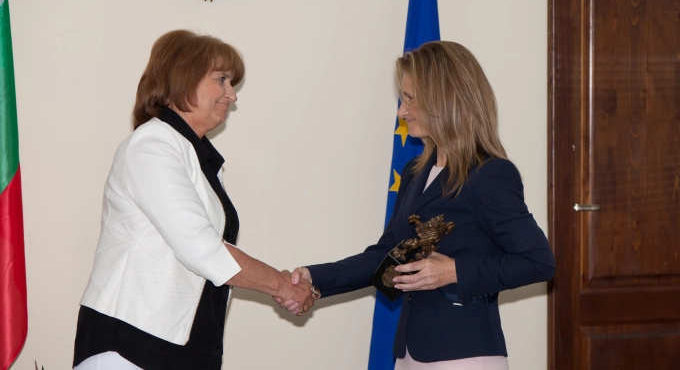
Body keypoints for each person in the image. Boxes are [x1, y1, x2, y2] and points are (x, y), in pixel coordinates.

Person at [278, 41, 556, 369]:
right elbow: (386, 257)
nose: (402, 111)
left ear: (447, 100)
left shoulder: (489, 174)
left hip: (464, 354)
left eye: (411, 99)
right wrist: (313, 277)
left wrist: (453, 271)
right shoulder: (414, 172)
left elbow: (539, 262)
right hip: (410, 352)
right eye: (403, 98)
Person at [73, 30, 319, 370]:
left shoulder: (190, 154)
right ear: (183, 79)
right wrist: (282, 285)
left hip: (180, 349)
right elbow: (201, 247)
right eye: (222, 79)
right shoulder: (152, 145)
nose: (232, 95)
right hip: (132, 346)